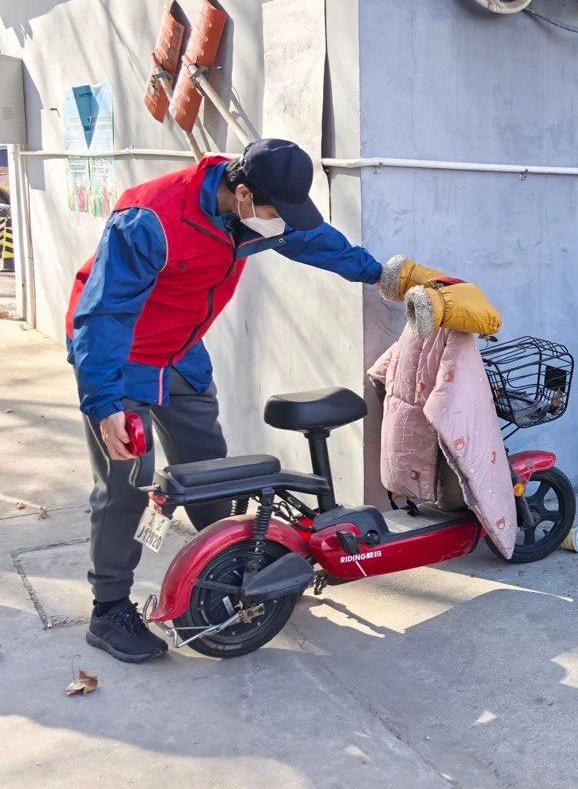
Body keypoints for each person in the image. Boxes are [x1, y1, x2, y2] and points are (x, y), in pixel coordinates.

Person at [66, 138, 497, 663]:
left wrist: (385, 276)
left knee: (209, 469)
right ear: (242, 194)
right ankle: (108, 610)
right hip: (117, 358)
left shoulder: (255, 217)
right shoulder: (149, 219)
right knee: (126, 487)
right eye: (274, 212)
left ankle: (238, 571)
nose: (280, 223)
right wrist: (104, 402)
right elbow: (104, 312)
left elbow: (317, 241)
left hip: (180, 353)